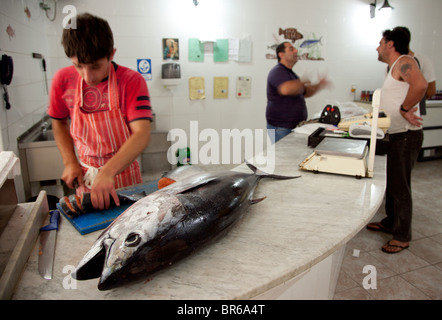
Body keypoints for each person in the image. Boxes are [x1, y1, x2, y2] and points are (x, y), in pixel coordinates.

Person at [48, 13, 152, 210]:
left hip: (125, 177)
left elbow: (142, 133)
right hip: (87, 178)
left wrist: (107, 172)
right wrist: (70, 162)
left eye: (95, 66)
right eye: (78, 66)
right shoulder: (62, 80)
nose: (87, 77)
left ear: (111, 54)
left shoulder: (131, 81)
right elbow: (59, 122)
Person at [367, 28, 427, 254]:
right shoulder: (392, 67)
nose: (377, 47)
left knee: (401, 187)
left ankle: (402, 236)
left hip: (406, 135)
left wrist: (403, 109)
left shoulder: (405, 61)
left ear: (390, 44)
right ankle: (391, 222)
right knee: (393, 183)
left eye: (380, 42)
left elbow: (420, 85)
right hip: (395, 135)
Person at [266, 41, 331, 143]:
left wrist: (319, 85)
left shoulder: (291, 74)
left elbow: (306, 92)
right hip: (281, 128)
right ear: (281, 54)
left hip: (293, 126)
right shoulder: (278, 71)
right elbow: (286, 89)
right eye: (291, 49)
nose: (296, 51)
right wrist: (302, 80)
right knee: (283, 157)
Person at [391, 27, 436, 115]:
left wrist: (411, 102)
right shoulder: (392, 63)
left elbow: (431, 91)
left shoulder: (423, 61)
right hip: (395, 113)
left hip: (414, 114)